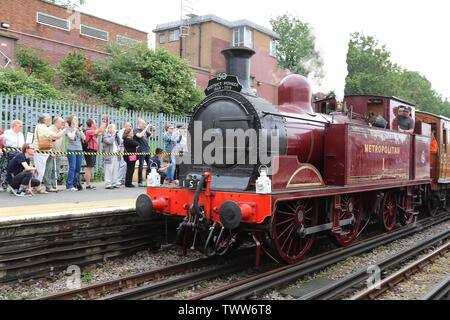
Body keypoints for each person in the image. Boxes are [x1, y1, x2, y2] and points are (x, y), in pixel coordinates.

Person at [40, 116, 68, 192]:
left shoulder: (60, 130)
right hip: (51, 153)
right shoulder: (50, 130)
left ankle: (54, 185)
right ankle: (48, 186)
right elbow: (47, 141)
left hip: (58, 152)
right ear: (56, 123)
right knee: (49, 169)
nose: (63, 124)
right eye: (61, 122)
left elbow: (60, 142)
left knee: (56, 170)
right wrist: (51, 152)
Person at [83, 115, 108, 190]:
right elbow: (99, 130)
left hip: (93, 150)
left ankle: (88, 183)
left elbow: (102, 131)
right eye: (95, 123)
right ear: (92, 124)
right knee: (89, 167)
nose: (96, 124)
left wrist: (105, 122)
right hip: (89, 150)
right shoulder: (89, 131)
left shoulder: (93, 132)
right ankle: (87, 184)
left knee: (90, 167)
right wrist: (103, 121)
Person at [1, 120, 25, 192]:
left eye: (21, 126)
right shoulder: (7, 133)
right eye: (20, 126)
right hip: (9, 152)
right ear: (15, 126)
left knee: (17, 170)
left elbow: (22, 144)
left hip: (18, 153)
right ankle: (4, 185)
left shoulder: (20, 134)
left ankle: (14, 185)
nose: (21, 127)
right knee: (5, 169)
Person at [133, 118, 156, 187]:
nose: (144, 125)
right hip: (141, 150)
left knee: (149, 165)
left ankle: (148, 180)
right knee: (141, 165)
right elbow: (139, 136)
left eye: (145, 124)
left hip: (147, 149)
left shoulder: (144, 131)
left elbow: (153, 137)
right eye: (143, 124)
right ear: (139, 123)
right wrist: (146, 128)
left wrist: (154, 130)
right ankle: (140, 182)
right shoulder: (136, 130)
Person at [66, 114, 85, 191]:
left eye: (76, 119)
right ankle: (69, 185)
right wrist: (74, 130)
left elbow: (84, 138)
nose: (76, 120)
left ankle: (76, 183)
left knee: (78, 168)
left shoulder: (78, 129)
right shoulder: (68, 129)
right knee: (72, 167)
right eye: (74, 119)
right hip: (71, 149)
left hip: (79, 149)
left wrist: (80, 130)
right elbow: (71, 137)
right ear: (71, 120)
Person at [102, 124, 121, 189]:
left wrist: (117, 137)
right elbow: (110, 142)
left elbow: (119, 143)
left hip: (116, 155)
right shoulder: (105, 136)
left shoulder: (114, 137)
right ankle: (108, 184)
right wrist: (113, 135)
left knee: (115, 170)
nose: (115, 130)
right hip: (110, 155)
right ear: (109, 129)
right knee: (109, 170)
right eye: (114, 128)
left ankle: (114, 183)